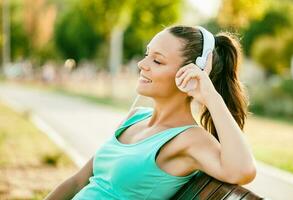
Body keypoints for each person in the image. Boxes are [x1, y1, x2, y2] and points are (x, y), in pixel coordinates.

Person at [45, 25, 256, 200]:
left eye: (157, 60)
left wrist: (210, 95)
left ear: (191, 74)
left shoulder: (189, 139)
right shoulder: (135, 117)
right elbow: (78, 181)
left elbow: (243, 170)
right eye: (147, 54)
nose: (141, 64)